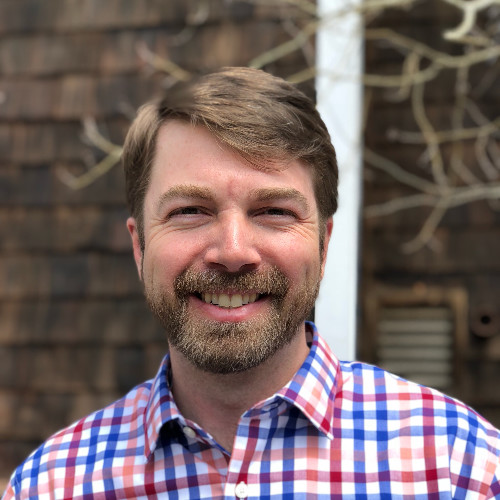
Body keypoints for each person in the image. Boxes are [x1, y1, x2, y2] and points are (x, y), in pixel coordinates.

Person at [3, 67, 499, 499]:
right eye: (190, 211)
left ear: (323, 245)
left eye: (274, 211)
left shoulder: (460, 469)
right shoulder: (53, 485)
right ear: (140, 246)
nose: (234, 251)